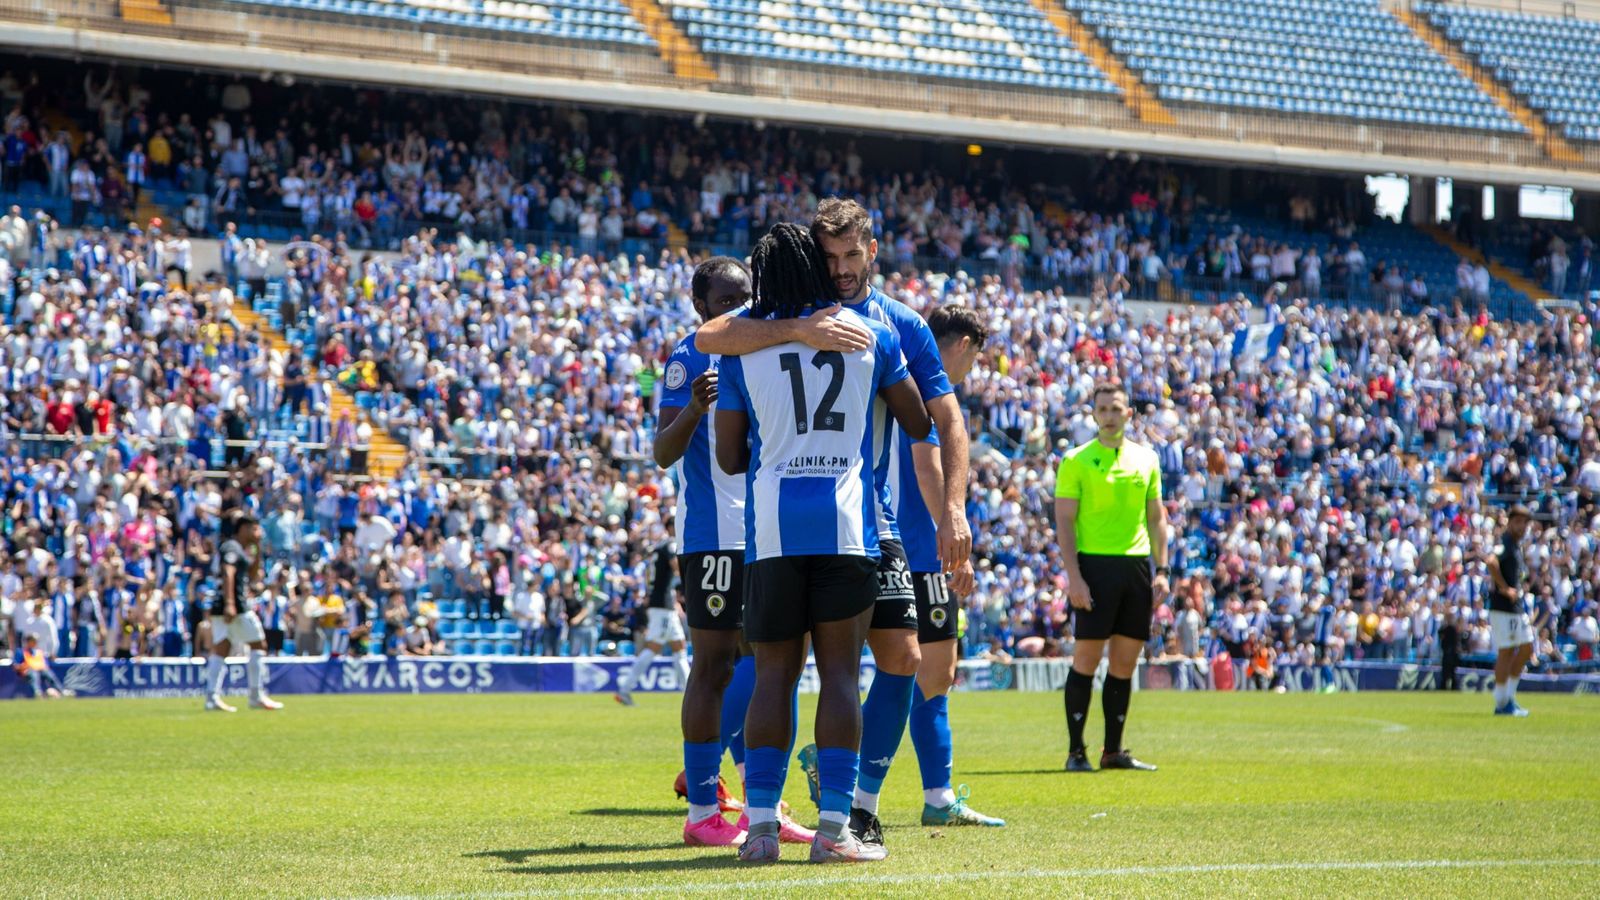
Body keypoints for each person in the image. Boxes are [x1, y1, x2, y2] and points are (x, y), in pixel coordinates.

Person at [714, 222, 930, 864]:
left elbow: (728, 459)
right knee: (840, 674)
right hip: (848, 525)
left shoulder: (743, 351)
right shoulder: (873, 336)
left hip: (773, 532)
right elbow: (918, 421)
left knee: (774, 676)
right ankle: (834, 833)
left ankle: (759, 833)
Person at [650, 256, 812, 847]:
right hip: (714, 534)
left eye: (746, 296)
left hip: (769, 532)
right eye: (725, 301)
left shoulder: (768, 346)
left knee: (772, 666)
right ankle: (699, 813)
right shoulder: (690, 355)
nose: (739, 308)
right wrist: (694, 406)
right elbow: (663, 454)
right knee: (716, 664)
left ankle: (757, 805)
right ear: (701, 307)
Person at [893, 304, 1003, 827]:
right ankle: (933, 796)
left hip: (887, 545)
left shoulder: (891, 377)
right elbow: (928, 467)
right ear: (962, 345)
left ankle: (937, 796)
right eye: (974, 358)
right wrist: (952, 544)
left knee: (922, 671)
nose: (969, 370)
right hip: (920, 551)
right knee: (932, 673)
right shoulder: (932, 390)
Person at [1055, 381, 1167, 772]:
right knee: (1085, 660)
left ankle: (1113, 751)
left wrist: (1163, 569)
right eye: (1102, 409)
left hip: (1136, 569)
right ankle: (1075, 753)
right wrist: (1074, 577)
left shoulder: (1147, 459)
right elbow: (1065, 521)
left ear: (1128, 414)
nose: (1108, 416)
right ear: (1093, 415)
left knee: (1124, 664)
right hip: (1094, 568)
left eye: (1115, 409)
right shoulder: (1076, 461)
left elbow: (1157, 518)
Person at [204, 514, 284, 711]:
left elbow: (253, 574)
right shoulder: (231, 547)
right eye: (254, 528)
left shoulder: (241, 549)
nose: (257, 532)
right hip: (234, 606)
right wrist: (230, 603)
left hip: (223, 606)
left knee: (221, 648)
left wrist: (257, 549)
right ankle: (255, 695)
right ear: (242, 528)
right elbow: (228, 573)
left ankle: (212, 697)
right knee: (259, 644)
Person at [613, 519, 691, 706]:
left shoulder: (658, 547)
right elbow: (676, 568)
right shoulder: (671, 544)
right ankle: (624, 689)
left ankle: (689, 691)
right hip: (662, 605)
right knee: (654, 648)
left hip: (663, 603)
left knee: (679, 647)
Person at [1486, 506, 1534, 717]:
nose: (1522, 527)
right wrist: (1505, 588)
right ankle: (1502, 702)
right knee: (1506, 651)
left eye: (1525, 523)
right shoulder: (1505, 542)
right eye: (1518, 522)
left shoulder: (1515, 545)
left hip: (1515, 608)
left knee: (1526, 648)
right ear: (1510, 522)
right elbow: (1490, 562)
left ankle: (1508, 697)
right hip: (1503, 607)